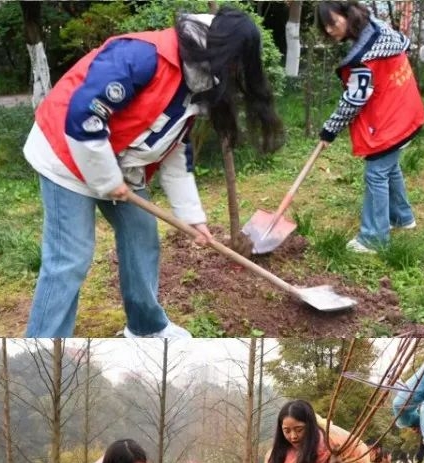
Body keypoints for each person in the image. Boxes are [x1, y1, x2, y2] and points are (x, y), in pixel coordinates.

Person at [22, 7, 283, 337]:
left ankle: (145, 328)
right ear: (220, 51)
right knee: (70, 258)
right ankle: (43, 345)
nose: (234, 73)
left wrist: (192, 217)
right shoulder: (142, 56)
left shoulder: (202, 79)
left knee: (142, 236)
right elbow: (83, 118)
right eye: (233, 64)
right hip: (65, 155)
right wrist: (107, 180)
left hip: (119, 163)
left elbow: (176, 150)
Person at [316, 1, 424, 253]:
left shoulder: (364, 57)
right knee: (389, 166)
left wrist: (329, 130)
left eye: (333, 23)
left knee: (376, 172)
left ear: (348, 15)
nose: (330, 30)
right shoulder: (377, 28)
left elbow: (354, 98)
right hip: (406, 110)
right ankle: (402, 217)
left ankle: (374, 237)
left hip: (391, 120)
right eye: (326, 26)